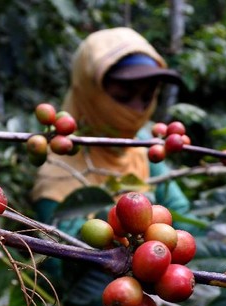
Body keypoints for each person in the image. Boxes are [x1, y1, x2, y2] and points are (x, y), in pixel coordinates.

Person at [31, 27, 191, 227]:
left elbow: (183, 214)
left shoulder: (142, 145)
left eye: (147, 97)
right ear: (89, 91)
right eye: (123, 96)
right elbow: (67, 251)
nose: (137, 109)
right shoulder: (57, 176)